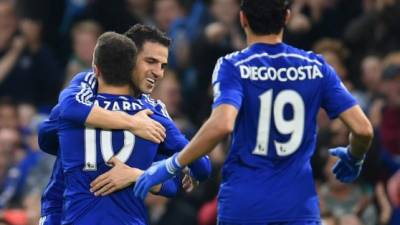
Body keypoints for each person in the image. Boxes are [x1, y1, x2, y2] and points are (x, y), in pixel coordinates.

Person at [133, 0, 374, 224]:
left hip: (244, 203)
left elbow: (222, 124)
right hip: (297, 205)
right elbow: (363, 129)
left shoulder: (233, 66)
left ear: (243, 19)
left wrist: (171, 165)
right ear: (287, 17)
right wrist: (355, 157)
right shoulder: (316, 66)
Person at [39, 25, 210, 225]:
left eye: (163, 65)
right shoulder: (152, 115)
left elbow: (45, 136)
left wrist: (137, 175)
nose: (158, 73)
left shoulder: (80, 101)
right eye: (151, 61)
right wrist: (132, 123)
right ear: (131, 59)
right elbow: (199, 168)